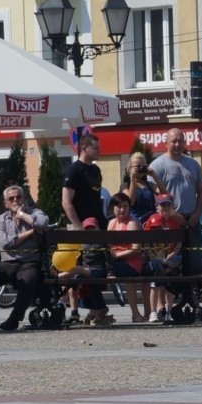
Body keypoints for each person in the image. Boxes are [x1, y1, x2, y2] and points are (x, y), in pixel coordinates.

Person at [149, 129, 202, 275]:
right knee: (172, 266)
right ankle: (174, 297)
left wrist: (197, 215)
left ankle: (193, 297)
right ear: (166, 143)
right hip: (170, 223)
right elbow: (157, 195)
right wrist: (172, 213)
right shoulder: (157, 165)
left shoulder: (193, 164)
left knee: (196, 265)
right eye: (173, 141)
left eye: (180, 141)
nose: (177, 144)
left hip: (193, 221)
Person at [62, 134, 107, 324]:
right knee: (88, 268)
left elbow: (97, 199)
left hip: (97, 225)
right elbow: (66, 202)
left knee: (97, 268)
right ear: (84, 148)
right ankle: (95, 309)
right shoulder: (73, 171)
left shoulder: (96, 170)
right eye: (95, 148)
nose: (99, 151)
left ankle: (94, 309)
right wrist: (79, 228)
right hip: (80, 226)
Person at [0, 185, 49, 331]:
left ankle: (13, 320)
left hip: (29, 263)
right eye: (11, 198)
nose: (15, 200)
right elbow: (4, 243)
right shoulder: (1, 219)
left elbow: (43, 224)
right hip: (7, 263)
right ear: (6, 203)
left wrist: (22, 214)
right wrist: (30, 233)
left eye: (18, 197)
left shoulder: (35, 212)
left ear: (24, 199)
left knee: (28, 280)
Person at [107, 192, 153, 323]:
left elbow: (137, 248)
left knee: (128, 274)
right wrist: (114, 254)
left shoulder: (132, 223)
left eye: (125, 206)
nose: (122, 210)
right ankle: (136, 313)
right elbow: (110, 245)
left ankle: (137, 313)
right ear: (112, 208)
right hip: (118, 261)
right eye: (119, 206)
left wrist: (118, 254)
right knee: (121, 271)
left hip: (133, 261)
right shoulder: (111, 223)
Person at [143, 193, 186, 323]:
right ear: (157, 207)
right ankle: (153, 312)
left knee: (173, 275)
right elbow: (147, 242)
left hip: (170, 256)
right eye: (162, 205)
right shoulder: (154, 220)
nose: (165, 208)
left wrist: (172, 255)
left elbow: (178, 242)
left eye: (168, 204)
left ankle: (169, 311)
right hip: (155, 258)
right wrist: (156, 257)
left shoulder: (174, 222)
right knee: (156, 278)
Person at [122, 152, 167, 224]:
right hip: (135, 222)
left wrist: (154, 175)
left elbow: (164, 195)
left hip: (151, 222)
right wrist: (132, 178)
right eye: (137, 166)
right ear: (130, 168)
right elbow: (131, 202)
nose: (141, 168)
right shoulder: (125, 186)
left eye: (143, 166)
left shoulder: (149, 184)